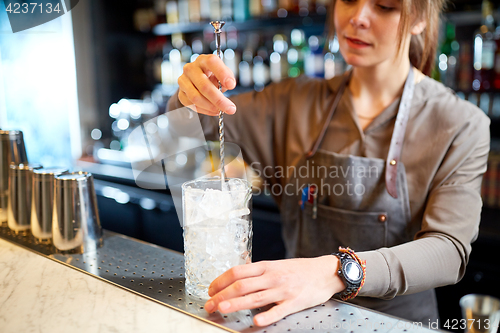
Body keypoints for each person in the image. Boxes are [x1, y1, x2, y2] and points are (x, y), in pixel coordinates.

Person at [167, 0, 490, 327]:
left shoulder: (459, 124)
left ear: (419, 18)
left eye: (384, 6)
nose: (358, 18)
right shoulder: (292, 102)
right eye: (348, 0)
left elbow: (448, 251)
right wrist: (189, 96)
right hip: (297, 322)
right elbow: (182, 128)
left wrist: (336, 271)